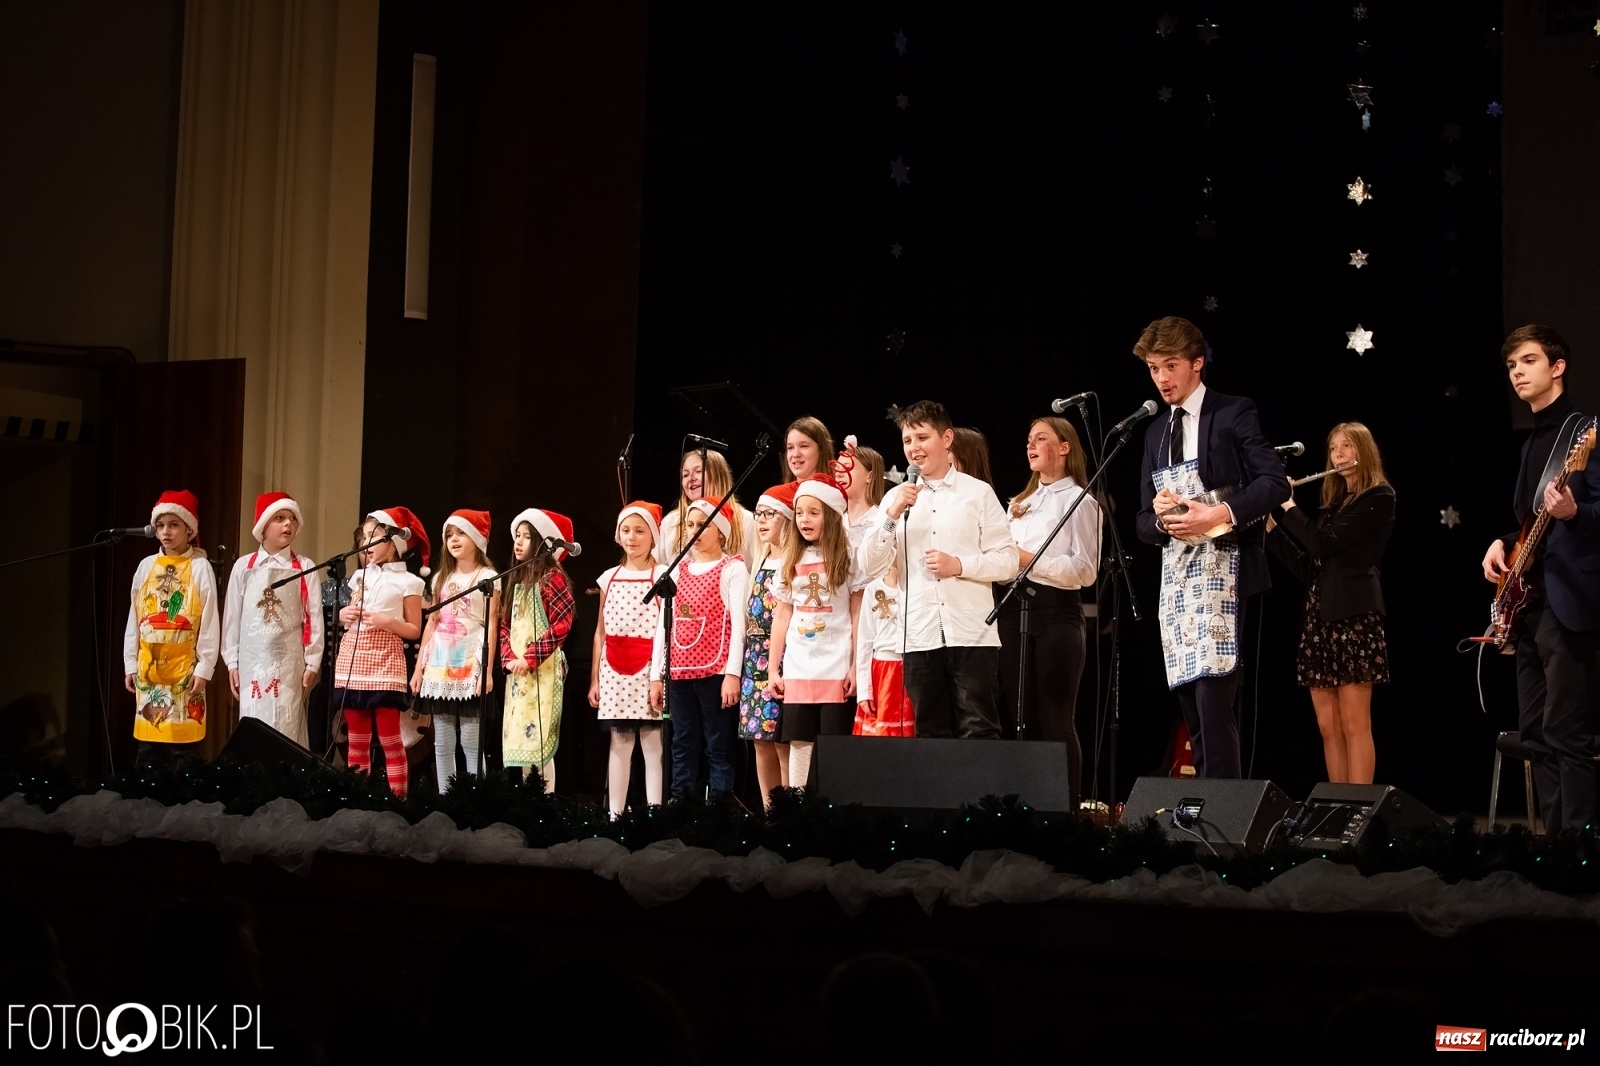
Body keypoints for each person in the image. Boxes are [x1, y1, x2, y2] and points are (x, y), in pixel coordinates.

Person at [1134, 316, 1289, 779]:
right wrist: (1162, 520)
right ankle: (1204, 807)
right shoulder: (1154, 432)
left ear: (1197, 364)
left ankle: (1225, 819)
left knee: (1214, 698)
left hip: (1226, 570)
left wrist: (1218, 513)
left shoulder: (1233, 411)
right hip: (1178, 581)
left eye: (1171, 365)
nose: (1162, 378)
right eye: (1153, 368)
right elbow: (1143, 523)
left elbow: (1274, 483)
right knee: (1190, 704)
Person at [1481, 324, 1600, 834]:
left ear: (1558, 367)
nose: (1517, 373)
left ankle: (1579, 850)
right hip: (1529, 604)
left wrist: (1576, 513)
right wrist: (1502, 542)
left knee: (1566, 731)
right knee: (1534, 732)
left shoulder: (1587, 432)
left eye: (1528, 361)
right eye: (1511, 366)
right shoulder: (1533, 445)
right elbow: (1533, 521)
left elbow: (1586, 513)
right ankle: (1550, 849)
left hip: (1570, 602)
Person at [863, 401, 1018, 738]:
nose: (914, 449)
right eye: (907, 441)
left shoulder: (977, 493)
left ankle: (985, 794)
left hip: (971, 633)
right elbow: (869, 565)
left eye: (922, 437)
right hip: (918, 635)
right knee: (930, 733)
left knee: (979, 728)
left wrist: (959, 565)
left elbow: (1007, 561)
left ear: (947, 438)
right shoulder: (895, 499)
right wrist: (891, 515)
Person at [1265, 424, 1394, 784]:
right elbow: (1311, 567)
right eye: (1333, 448)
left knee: (1355, 724)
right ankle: (1336, 806)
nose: (1337, 454)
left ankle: (1358, 812)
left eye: (1346, 446)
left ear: (1363, 451)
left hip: (1354, 618)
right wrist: (1272, 528)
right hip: (1320, 619)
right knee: (1328, 726)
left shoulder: (1379, 497)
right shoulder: (1334, 506)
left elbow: (1323, 544)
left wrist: (1288, 506)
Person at [998, 417, 1101, 803]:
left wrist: (1028, 560)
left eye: (1041, 438)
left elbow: (1085, 571)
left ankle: (1064, 809)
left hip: (1057, 615)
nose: (1030, 445)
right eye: (1028, 439)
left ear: (1064, 447)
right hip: (1014, 613)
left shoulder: (1081, 500)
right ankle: (1022, 802)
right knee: (1017, 716)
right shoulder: (1019, 504)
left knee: (1056, 718)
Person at [649, 500, 749, 802]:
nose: (695, 531)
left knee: (717, 744)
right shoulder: (677, 571)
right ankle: (681, 803)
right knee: (682, 743)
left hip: (715, 671)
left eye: (703, 525)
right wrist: (657, 675)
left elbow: (738, 625)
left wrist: (732, 674)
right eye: (690, 525)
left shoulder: (732, 569)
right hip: (679, 671)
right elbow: (662, 627)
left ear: (721, 532)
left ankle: (718, 805)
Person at [769, 473, 863, 787]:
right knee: (799, 742)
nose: (804, 519)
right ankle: (797, 808)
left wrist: (855, 666)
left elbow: (857, 612)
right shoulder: (789, 559)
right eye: (799, 512)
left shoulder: (847, 558)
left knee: (834, 744)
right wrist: (773, 670)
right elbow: (782, 616)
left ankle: (831, 809)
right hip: (799, 666)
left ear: (832, 517)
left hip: (836, 665)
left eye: (814, 512)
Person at [333, 507, 428, 797]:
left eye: (374, 536)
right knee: (357, 740)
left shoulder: (409, 582)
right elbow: (348, 615)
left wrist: (388, 621)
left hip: (385, 660)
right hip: (354, 656)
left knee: (390, 739)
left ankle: (397, 801)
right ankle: (358, 799)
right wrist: (344, 615)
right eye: (364, 537)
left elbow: (414, 628)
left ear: (394, 542)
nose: (366, 543)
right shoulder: (359, 577)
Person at [123, 490, 219, 770]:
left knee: (183, 750)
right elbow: (135, 617)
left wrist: (204, 668)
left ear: (189, 529)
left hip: (184, 669)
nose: (166, 532)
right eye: (161, 525)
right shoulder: (146, 567)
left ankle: (183, 809)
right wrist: (130, 663)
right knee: (149, 747)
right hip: (149, 667)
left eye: (174, 525)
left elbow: (210, 620)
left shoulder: (200, 567)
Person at [222, 491, 324, 747]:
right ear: (264, 525)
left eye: (291, 518)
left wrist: (312, 662)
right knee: (254, 723)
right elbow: (233, 617)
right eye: (280, 517)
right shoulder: (244, 567)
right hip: (252, 662)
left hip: (289, 663)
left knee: (287, 725)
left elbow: (313, 616)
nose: (288, 524)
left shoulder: (303, 566)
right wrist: (232, 662)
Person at [590, 502, 668, 818]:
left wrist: (659, 676)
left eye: (640, 531)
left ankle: (655, 815)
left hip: (649, 668)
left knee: (652, 746)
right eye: (626, 530)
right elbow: (600, 633)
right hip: (614, 669)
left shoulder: (662, 575)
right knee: (619, 743)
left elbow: (666, 628)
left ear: (653, 536)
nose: (632, 538)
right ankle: (615, 816)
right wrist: (595, 678)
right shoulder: (608, 578)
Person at [411, 509, 499, 791]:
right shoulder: (440, 579)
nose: (454, 539)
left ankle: (474, 801)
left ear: (476, 538)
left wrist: (486, 671)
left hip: (469, 664)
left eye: (461, 533)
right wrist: (418, 669)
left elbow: (492, 624)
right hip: (439, 665)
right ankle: (446, 799)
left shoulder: (489, 577)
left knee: (471, 743)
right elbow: (431, 623)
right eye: (449, 534)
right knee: (443, 742)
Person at [500, 508, 576, 793]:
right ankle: (526, 803)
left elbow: (561, 624)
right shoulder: (516, 580)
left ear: (542, 542)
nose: (518, 542)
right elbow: (505, 624)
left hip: (541, 672)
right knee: (520, 741)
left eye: (527, 537)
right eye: (517, 536)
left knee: (539, 744)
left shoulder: (552, 579)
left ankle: (545, 804)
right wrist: (508, 658)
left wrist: (529, 658)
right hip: (517, 674)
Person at [739, 482, 798, 806]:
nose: (761, 521)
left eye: (770, 515)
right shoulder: (758, 565)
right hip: (754, 662)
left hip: (786, 659)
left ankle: (788, 811)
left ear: (787, 519)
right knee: (760, 742)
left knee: (782, 742)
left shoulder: (791, 563)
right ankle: (768, 810)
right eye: (759, 514)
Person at [657, 447, 756, 566]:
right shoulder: (671, 523)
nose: (691, 479)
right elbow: (657, 568)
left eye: (698, 471)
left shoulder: (748, 522)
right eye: (685, 475)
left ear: (719, 476)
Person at [853, 553, 915, 736]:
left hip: (914, 668)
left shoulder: (918, 589)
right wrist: (864, 690)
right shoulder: (873, 589)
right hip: (883, 673)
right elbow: (864, 640)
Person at [783, 415, 834, 483]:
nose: (795, 454)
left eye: (803, 446)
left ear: (821, 449)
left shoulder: (836, 493)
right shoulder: (772, 493)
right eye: (790, 447)